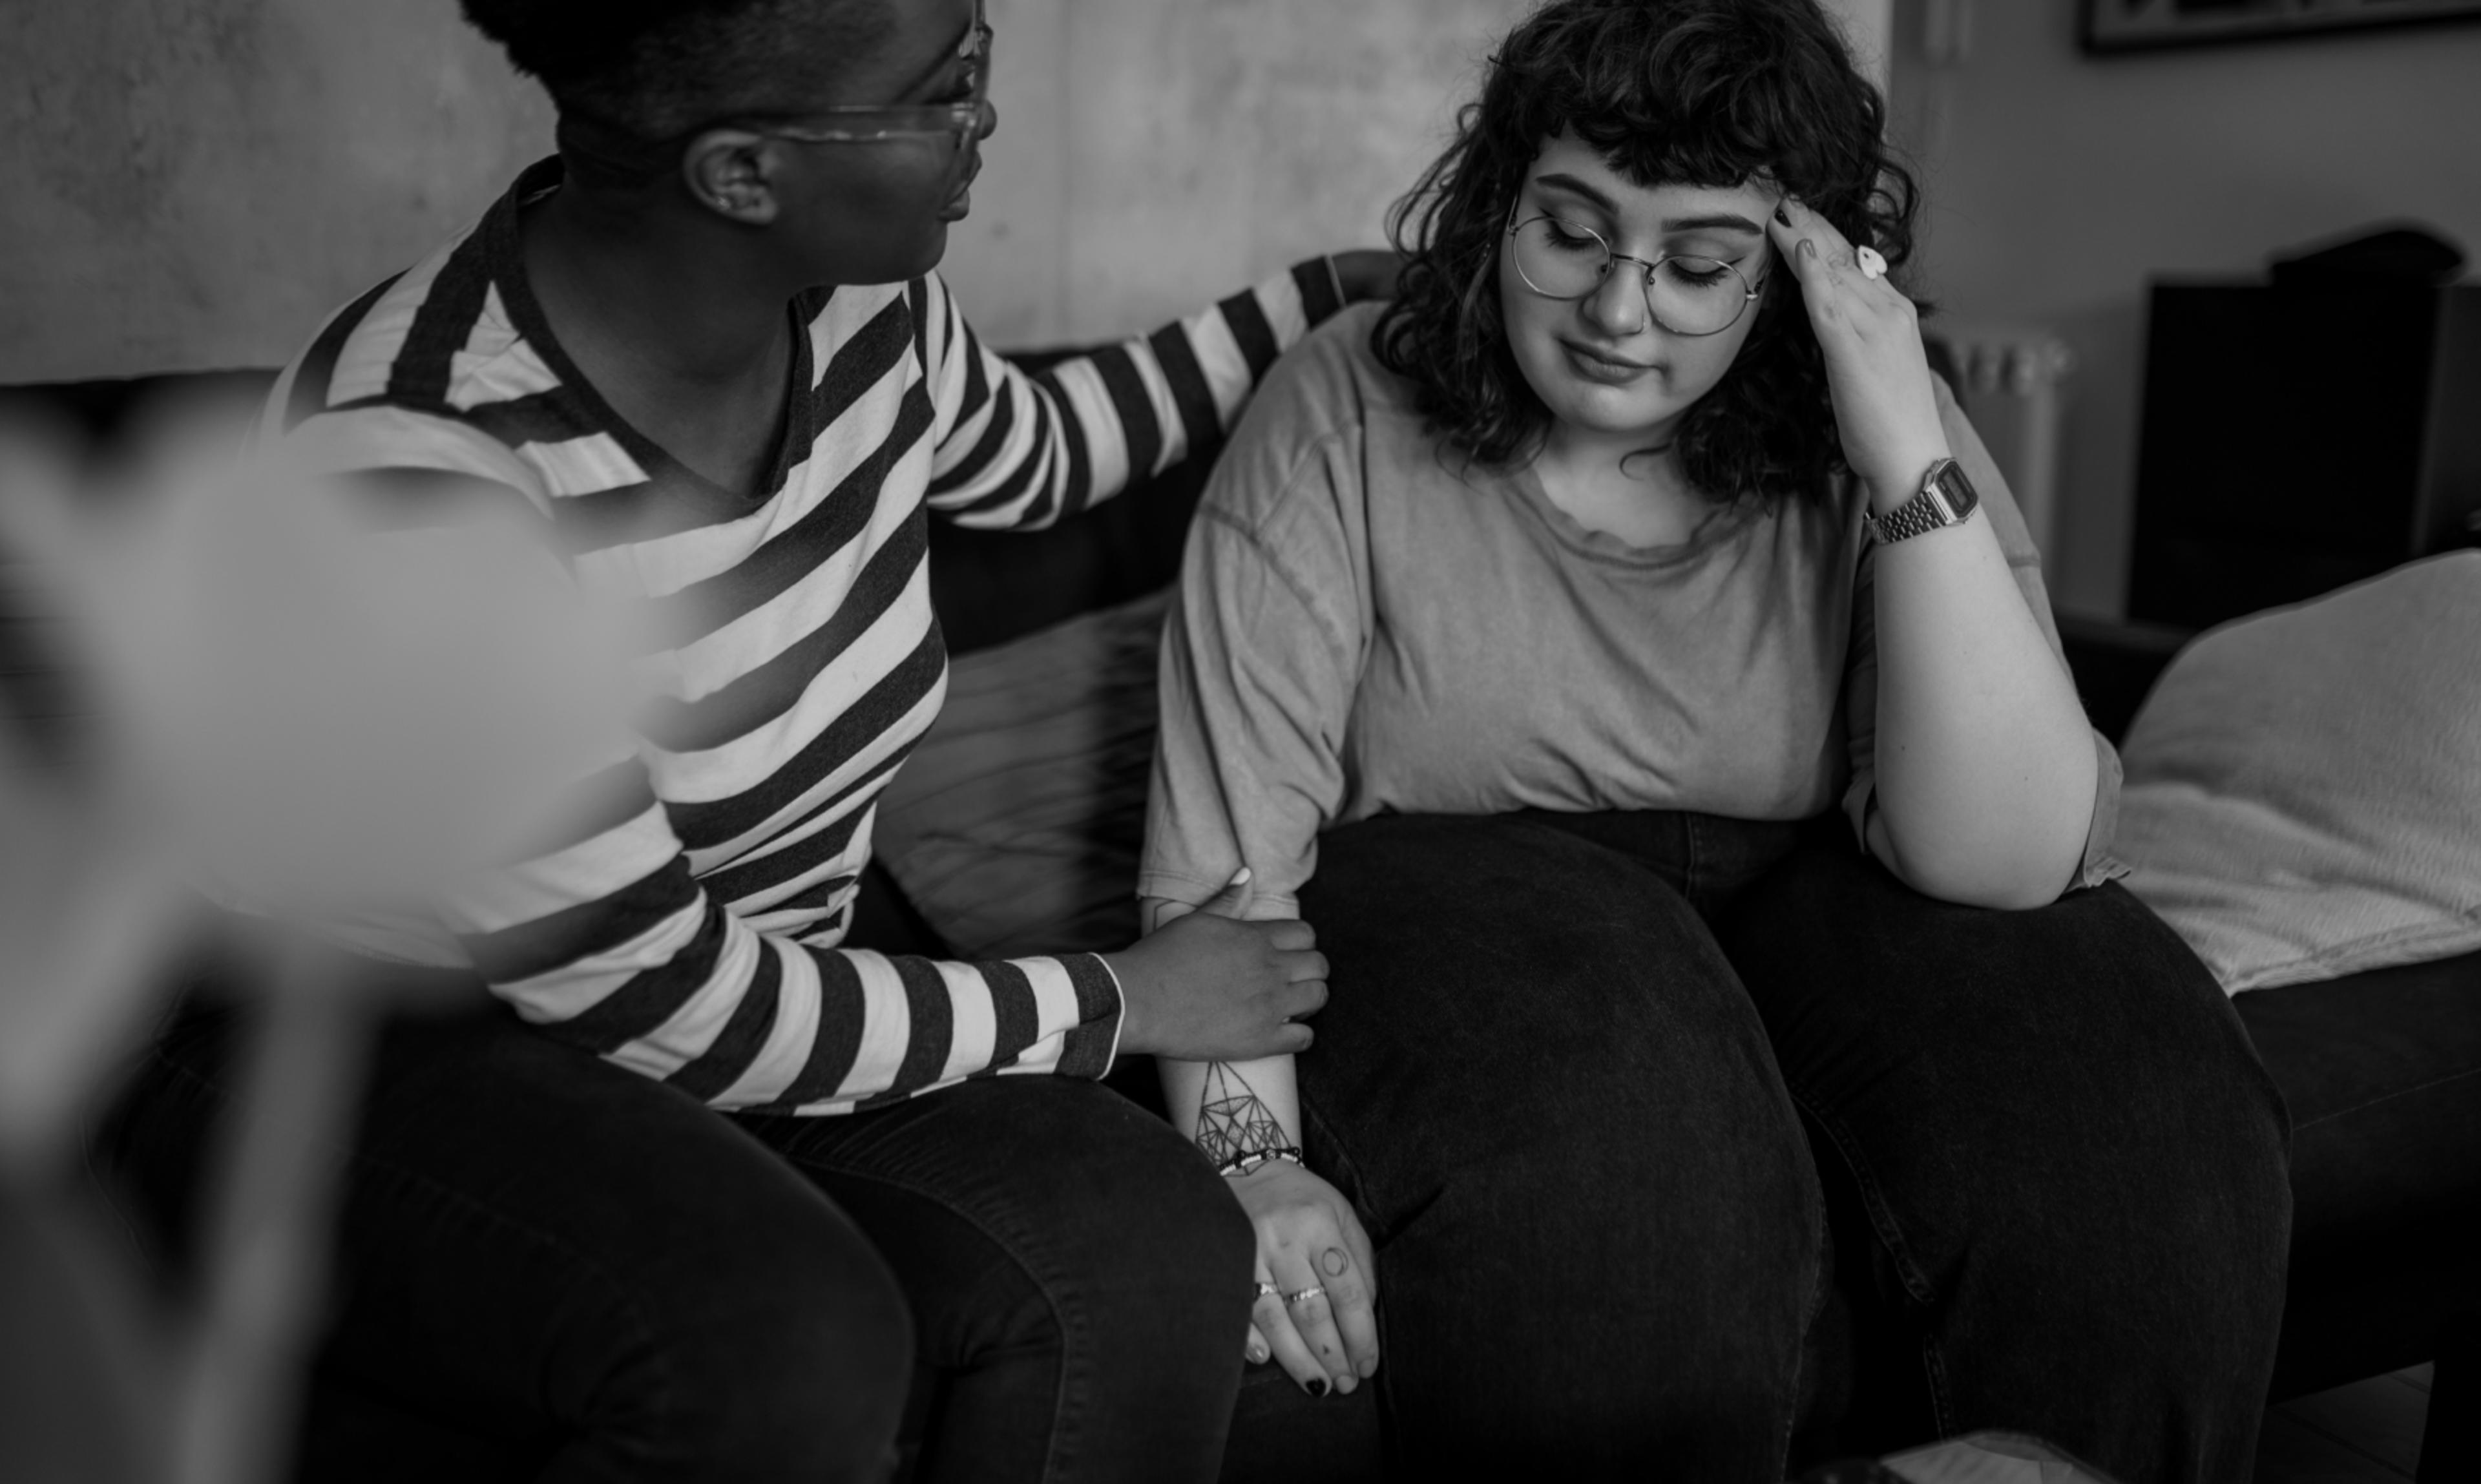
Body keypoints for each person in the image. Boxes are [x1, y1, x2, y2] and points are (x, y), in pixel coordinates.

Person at [98, 1, 1401, 1479]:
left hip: (752, 981)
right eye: (948, 88)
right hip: (360, 1040)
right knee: (785, 1336)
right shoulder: (426, 473)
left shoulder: (858, 305)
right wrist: (1122, 1000)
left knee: (1149, 1234)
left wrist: (1340, 290)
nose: (985, 122)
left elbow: (1040, 455)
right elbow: (669, 998)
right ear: (740, 174)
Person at [1139, 1, 2290, 1479]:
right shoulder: (1350, 399)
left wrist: (1899, 448)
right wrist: (1253, 1160)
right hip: (1468, 907)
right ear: (1499, 207)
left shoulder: (1871, 426)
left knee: (2125, 1083)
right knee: (1632, 1118)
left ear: (1792, 273)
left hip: (1809, 896)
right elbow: (1228, 856)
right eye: (1571, 232)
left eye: (1697, 267)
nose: (1621, 311)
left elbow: (2002, 862)